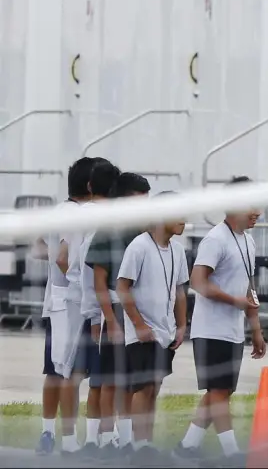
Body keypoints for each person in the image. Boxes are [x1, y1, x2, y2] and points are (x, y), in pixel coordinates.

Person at [179, 178, 267, 461]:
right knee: (218, 392)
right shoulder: (215, 239)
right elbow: (197, 281)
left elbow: (248, 288)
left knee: (222, 391)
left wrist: (256, 329)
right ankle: (232, 453)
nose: (258, 212)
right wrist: (234, 301)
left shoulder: (248, 241)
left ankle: (187, 446)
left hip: (233, 331)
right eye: (251, 206)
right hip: (211, 330)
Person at [116, 193, 190, 455]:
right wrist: (138, 325)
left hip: (165, 331)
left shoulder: (178, 251)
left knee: (154, 387)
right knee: (143, 387)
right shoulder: (139, 246)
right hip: (143, 332)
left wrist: (181, 325)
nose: (184, 219)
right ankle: (138, 446)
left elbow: (180, 290)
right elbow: (122, 287)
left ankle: (146, 442)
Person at [87, 171, 152, 452]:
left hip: (140, 309)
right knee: (110, 381)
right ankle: (105, 438)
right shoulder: (107, 231)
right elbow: (99, 283)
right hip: (116, 309)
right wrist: (111, 321)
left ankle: (126, 438)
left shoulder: (145, 231)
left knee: (130, 381)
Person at [38, 156, 98, 455]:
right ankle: (69, 441)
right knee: (69, 373)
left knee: (54, 372)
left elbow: (40, 246)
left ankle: (47, 433)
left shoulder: (59, 209)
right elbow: (63, 257)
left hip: (55, 300)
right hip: (70, 303)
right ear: (90, 185)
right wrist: (79, 284)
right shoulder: (76, 214)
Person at [75, 157, 119, 453]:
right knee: (104, 379)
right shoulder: (106, 223)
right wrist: (95, 317)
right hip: (100, 311)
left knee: (98, 379)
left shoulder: (80, 216)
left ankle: (96, 437)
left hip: (86, 305)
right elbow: (93, 274)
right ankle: (102, 437)